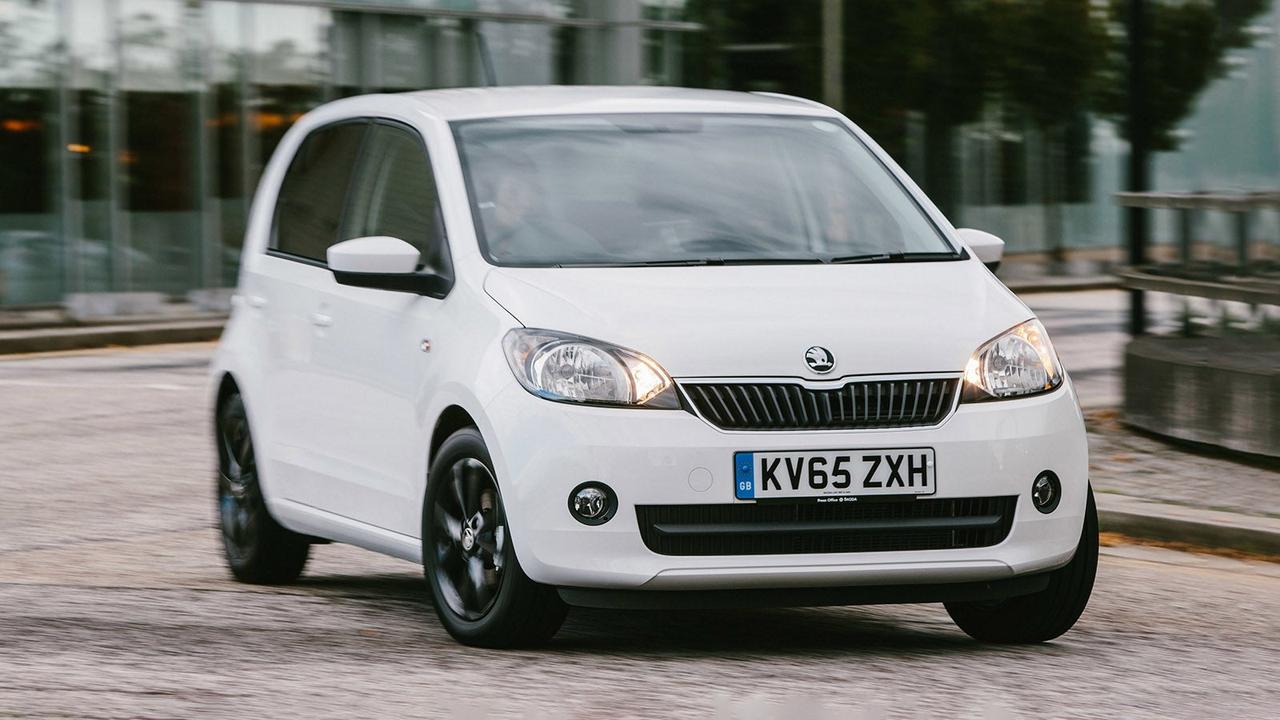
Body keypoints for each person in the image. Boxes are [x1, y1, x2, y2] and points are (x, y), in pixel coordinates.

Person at [482, 156, 602, 264]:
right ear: (491, 195)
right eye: (513, 191)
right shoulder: (469, 238)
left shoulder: (565, 239)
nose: (525, 202)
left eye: (533, 191)